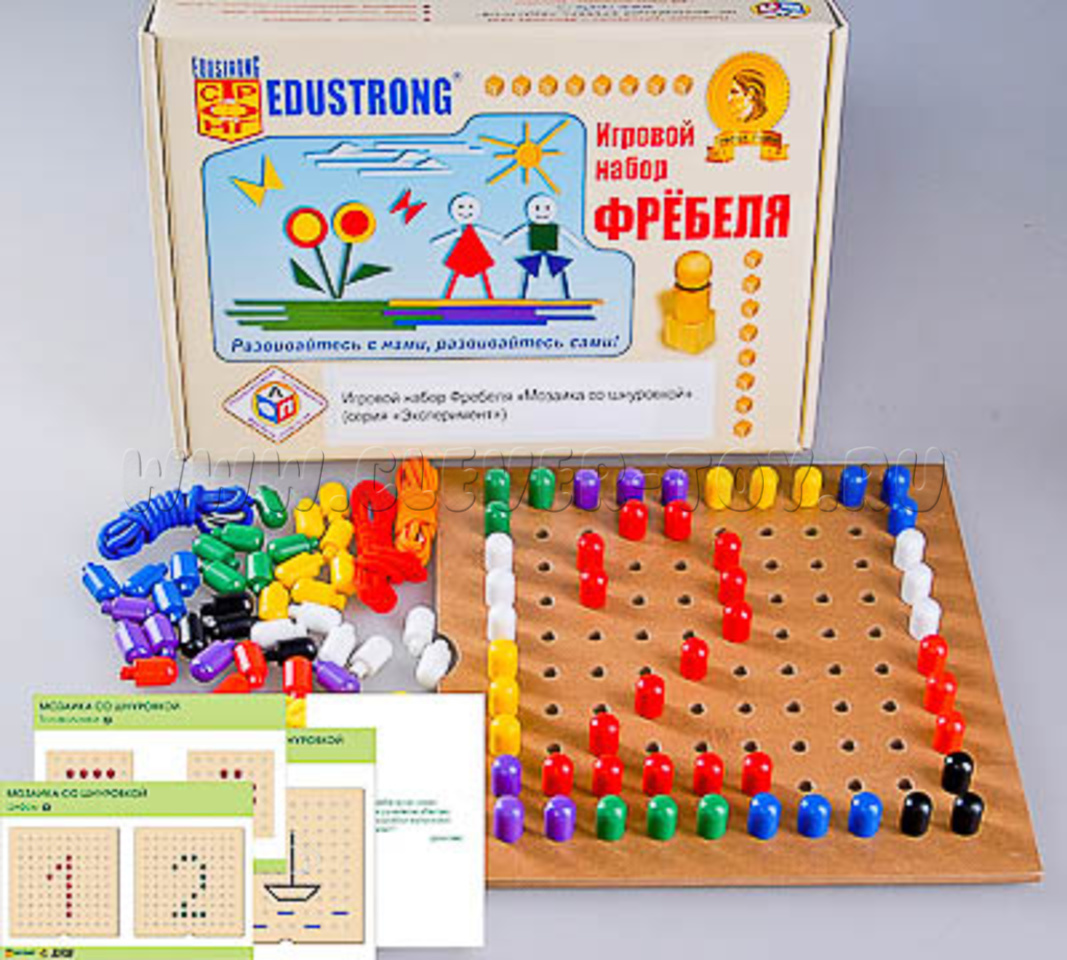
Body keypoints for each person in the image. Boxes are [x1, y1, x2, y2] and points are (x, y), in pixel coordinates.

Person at [502, 194, 581, 298]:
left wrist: (578, 243)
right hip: (538, 255)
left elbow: (568, 235)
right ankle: (524, 296)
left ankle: (567, 295)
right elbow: (516, 234)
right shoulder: (531, 227)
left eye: (547, 208)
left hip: (550, 255)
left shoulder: (555, 227)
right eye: (537, 208)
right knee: (530, 272)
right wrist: (507, 240)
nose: (542, 212)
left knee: (559, 271)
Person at [431, 194, 501, 298]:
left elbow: (486, 232)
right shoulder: (463, 230)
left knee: (479, 270)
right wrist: (437, 241)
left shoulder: (470, 229)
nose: (465, 211)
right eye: (461, 207)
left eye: (470, 207)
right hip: (465, 250)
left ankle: (490, 296)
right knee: (458, 270)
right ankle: (448, 296)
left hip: (475, 250)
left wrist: (498, 237)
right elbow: (451, 235)